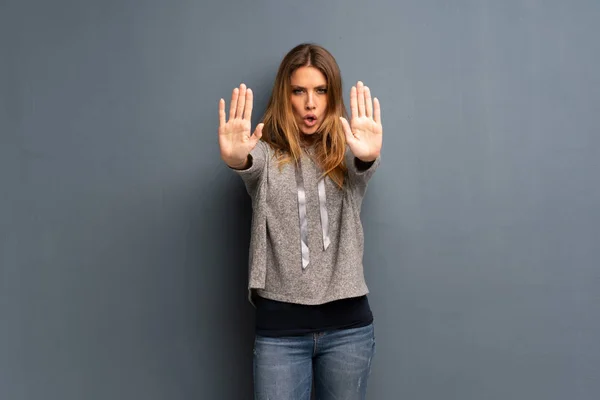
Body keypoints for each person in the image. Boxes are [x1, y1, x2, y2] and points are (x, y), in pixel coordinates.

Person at [217, 43, 383, 400]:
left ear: (332, 95)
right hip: (281, 334)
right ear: (285, 95)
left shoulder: (348, 153)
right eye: (299, 91)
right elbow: (250, 164)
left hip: (348, 331)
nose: (310, 103)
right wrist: (236, 159)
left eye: (320, 91)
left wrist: (366, 158)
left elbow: (360, 170)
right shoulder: (264, 154)